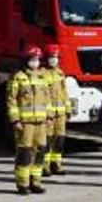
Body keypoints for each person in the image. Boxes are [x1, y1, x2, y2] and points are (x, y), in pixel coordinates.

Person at [7, 45, 50, 195]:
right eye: (32, 59)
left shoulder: (42, 77)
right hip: (25, 123)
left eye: (37, 60)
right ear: (26, 60)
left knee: (40, 151)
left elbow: (47, 100)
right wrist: (15, 120)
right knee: (25, 152)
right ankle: (22, 183)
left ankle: (35, 182)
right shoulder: (18, 77)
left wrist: (49, 117)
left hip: (41, 122)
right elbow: (11, 100)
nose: (35, 62)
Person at [42, 43, 69, 177]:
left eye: (56, 57)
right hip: (48, 115)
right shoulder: (42, 74)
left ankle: (56, 164)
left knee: (59, 140)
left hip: (61, 113)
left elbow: (64, 93)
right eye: (51, 57)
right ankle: (44, 166)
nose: (54, 59)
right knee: (47, 139)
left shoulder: (60, 73)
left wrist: (68, 109)